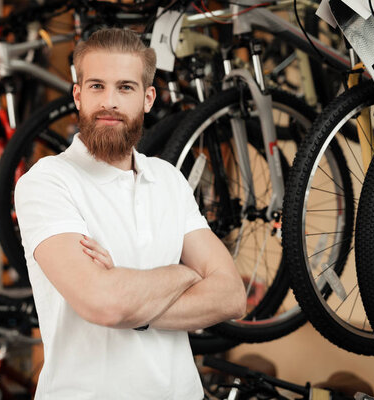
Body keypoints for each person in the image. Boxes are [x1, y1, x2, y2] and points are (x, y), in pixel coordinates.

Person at [14, 27, 246, 400]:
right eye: (96, 86)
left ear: (148, 98)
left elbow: (232, 295)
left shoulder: (168, 179)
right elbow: (103, 303)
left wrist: (129, 297)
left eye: (125, 87)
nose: (110, 102)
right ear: (78, 95)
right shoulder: (47, 182)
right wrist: (185, 274)